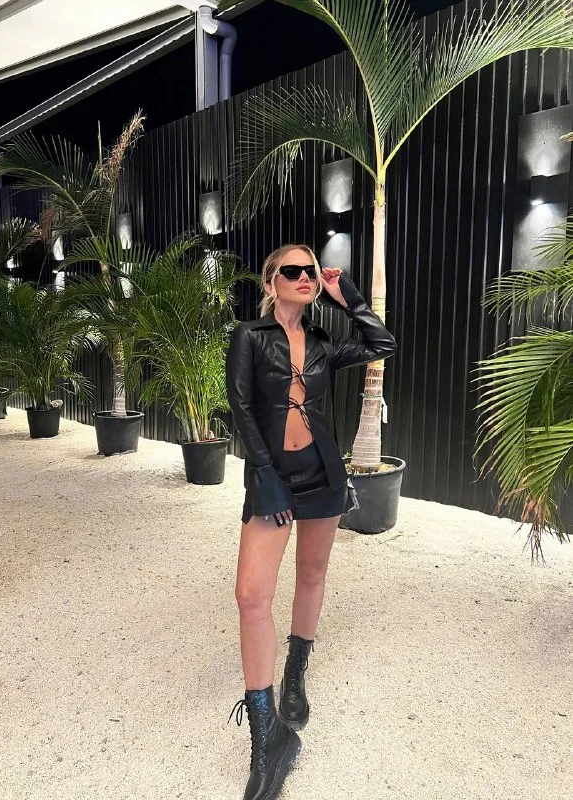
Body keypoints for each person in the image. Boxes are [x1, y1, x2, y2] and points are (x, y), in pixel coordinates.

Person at [225, 243, 398, 800]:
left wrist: (349, 296)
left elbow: (382, 343)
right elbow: (241, 407)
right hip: (272, 475)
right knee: (251, 595)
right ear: (271, 282)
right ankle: (268, 736)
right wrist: (264, 474)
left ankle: (295, 672)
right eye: (292, 271)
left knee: (312, 574)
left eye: (310, 271)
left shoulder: (323, 341)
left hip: (323, 471)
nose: (304, 277)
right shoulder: (250, 337)